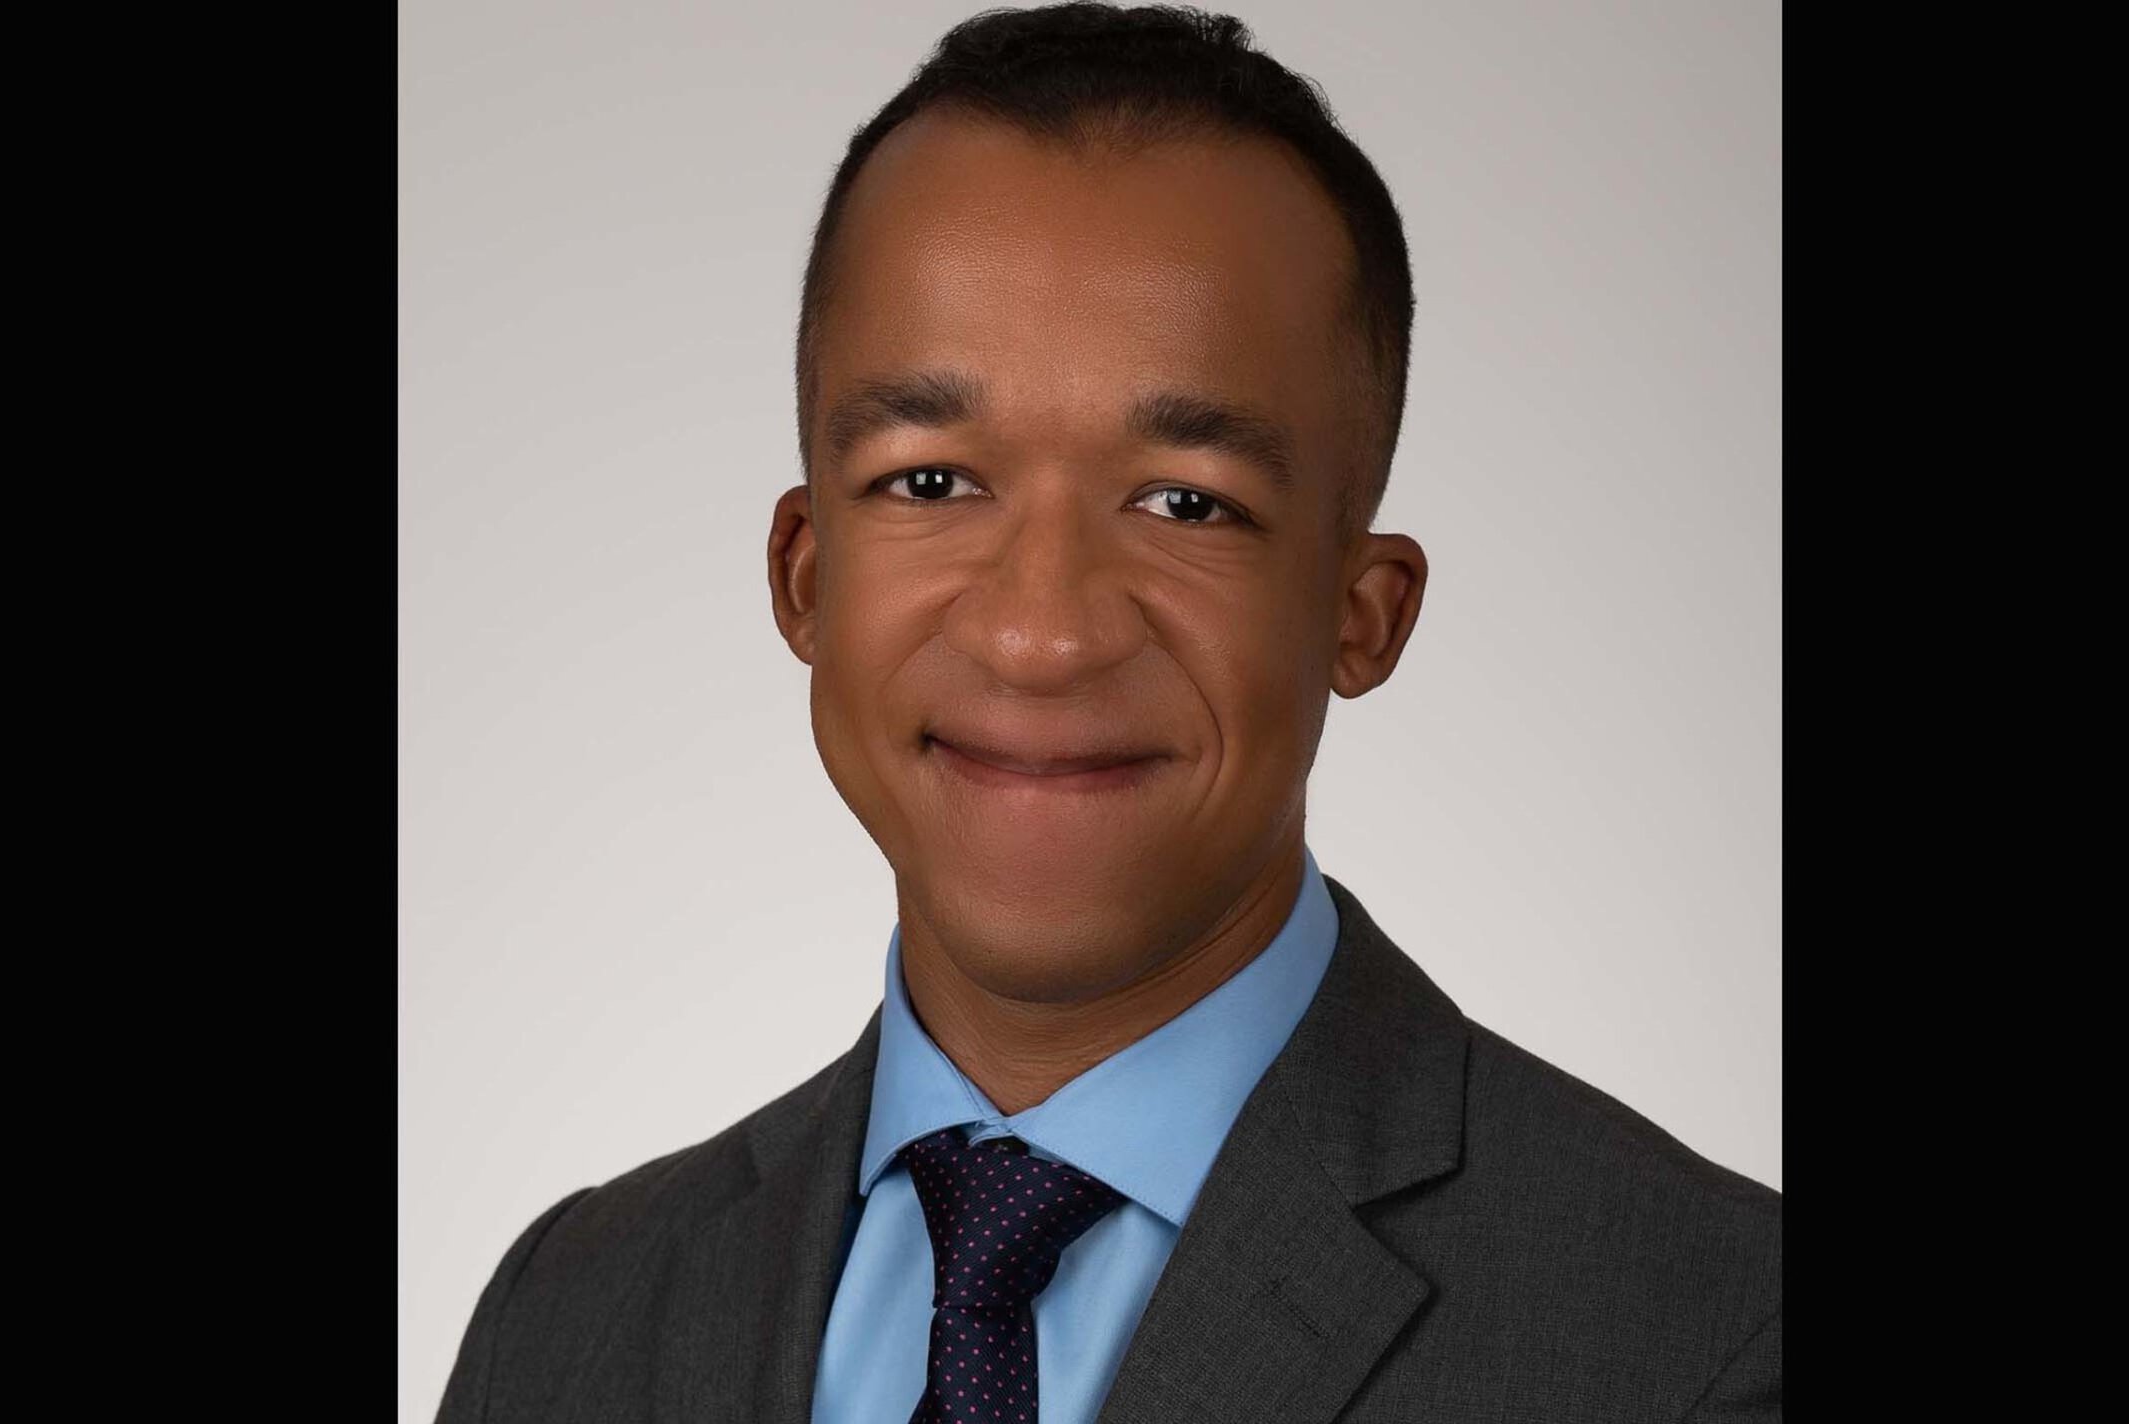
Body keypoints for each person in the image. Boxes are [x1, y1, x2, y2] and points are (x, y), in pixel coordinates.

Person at [433, 5, 1781, 1421]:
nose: (1042, 635)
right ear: (805, 578)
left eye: (1186, 503)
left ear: (1361, 614)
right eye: (931, 482)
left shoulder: (1713, 1342)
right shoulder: (567, 1318)